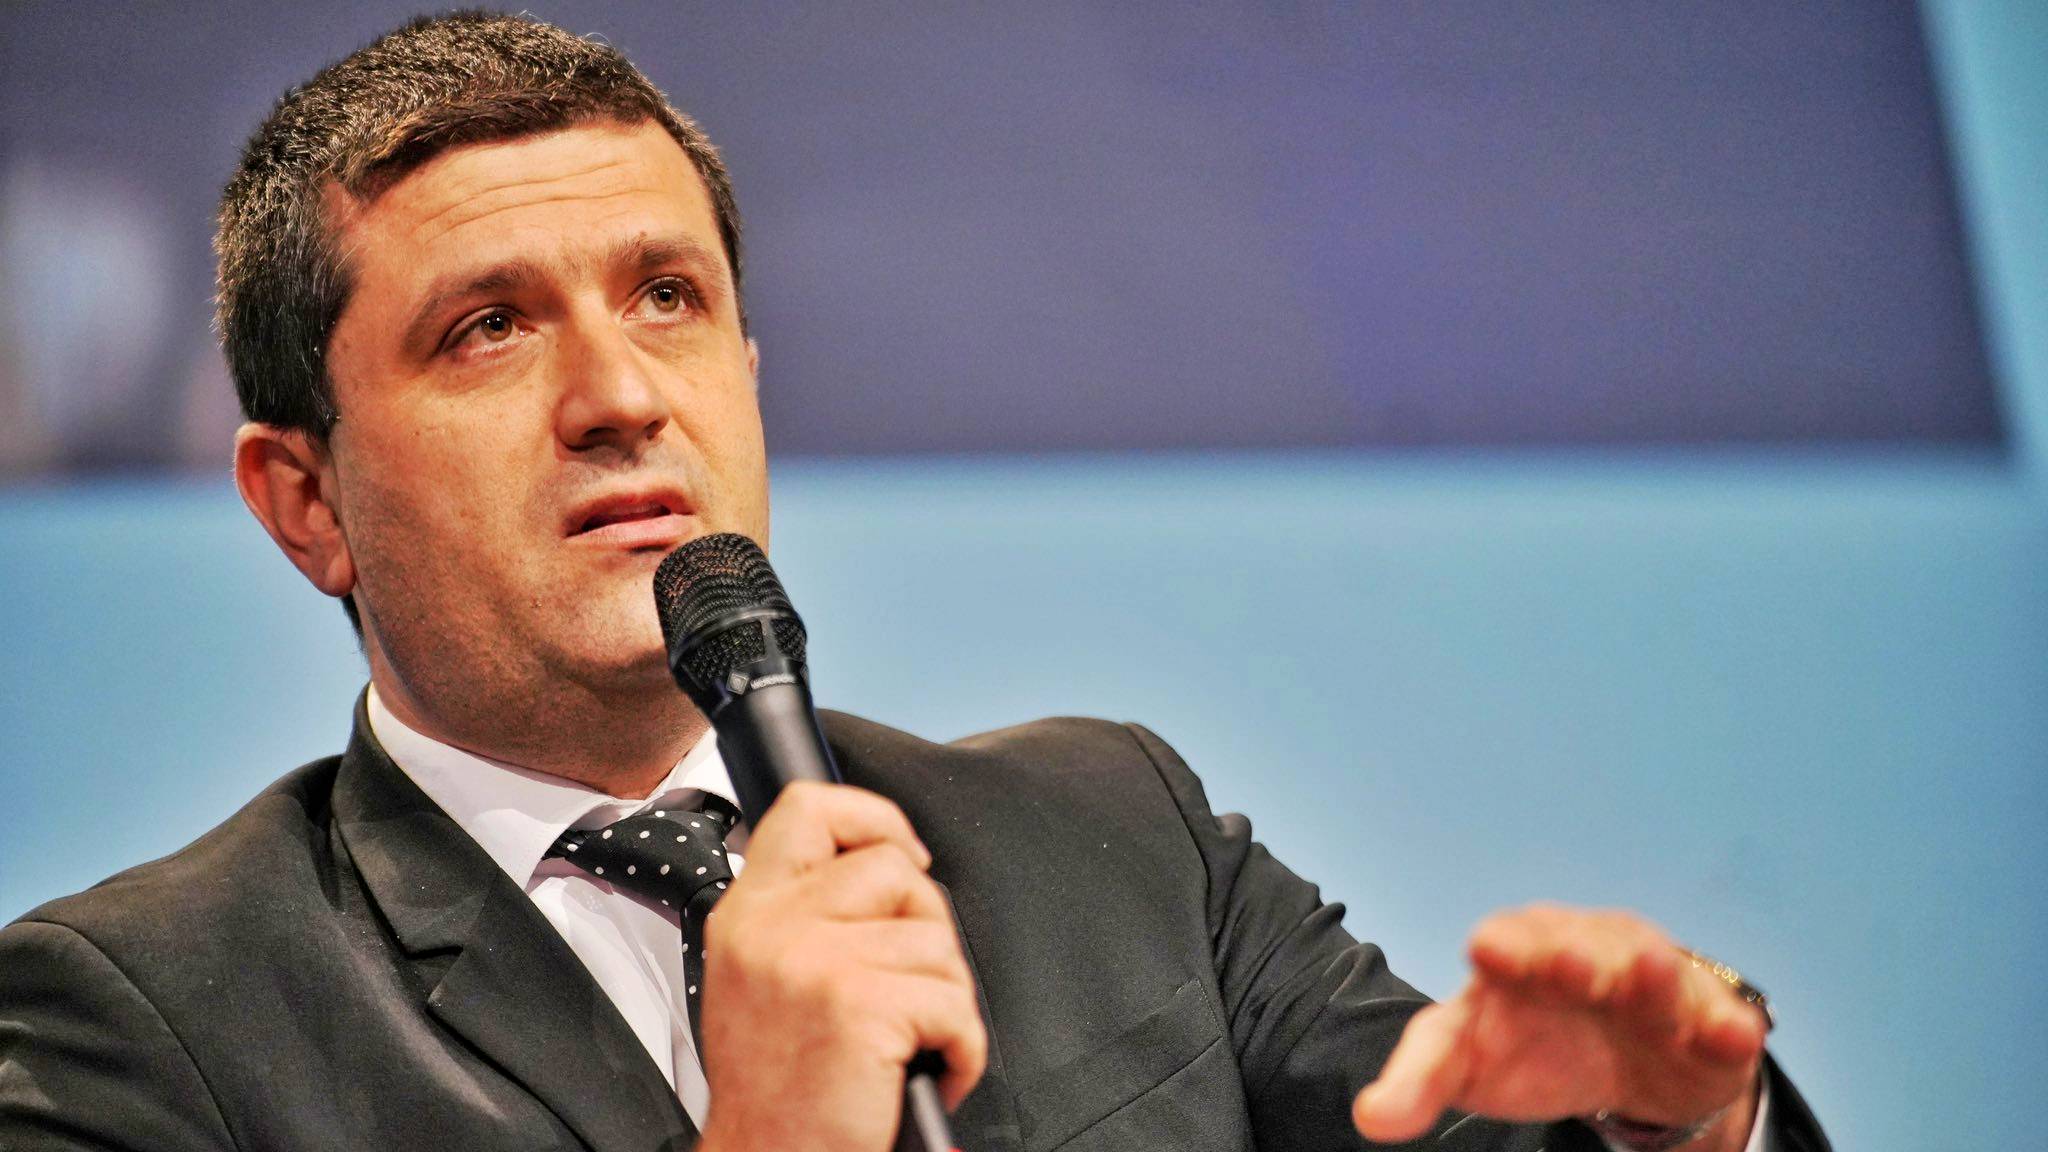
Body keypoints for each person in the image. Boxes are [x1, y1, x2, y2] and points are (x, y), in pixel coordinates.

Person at [0, 13, 1827, 1152]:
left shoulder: (1116, 837)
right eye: (489, 328)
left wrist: (1684, 1125)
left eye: (668, 297)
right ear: (304, 500)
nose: (621, 394)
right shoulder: (128, 1028)